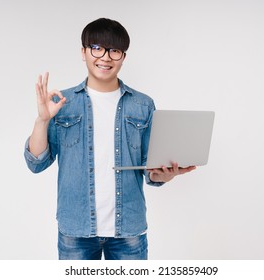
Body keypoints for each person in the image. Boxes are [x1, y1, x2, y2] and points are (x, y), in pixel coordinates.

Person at [24, 18, 196, 260]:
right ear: (83, 52)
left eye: (114, 50)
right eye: (97, 48)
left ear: (123, 57)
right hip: (76, 230)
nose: (105, 57)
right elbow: (36, 163)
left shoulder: (142, 104)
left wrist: (165, 174)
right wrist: (42, 120)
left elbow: (151, 170)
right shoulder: (62, 102)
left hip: (128, 231)